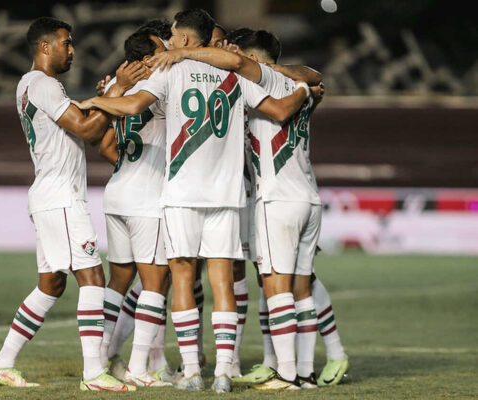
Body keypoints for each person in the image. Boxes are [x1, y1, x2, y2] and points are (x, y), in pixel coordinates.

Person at [72, 8, 313, 393]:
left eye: (172, 34)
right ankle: (222, 372)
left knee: (182, 278)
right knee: (222, 282)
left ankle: (191, 372)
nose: (168, 40)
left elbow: (133, 107)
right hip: (227, 193)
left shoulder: (171, 69)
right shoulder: (235, 74)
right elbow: (278, 109)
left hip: (181, 193)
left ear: (185, 38)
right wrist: (304, 89)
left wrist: (94, 102)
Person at [146, 28, 329, 390]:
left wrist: (184, 55)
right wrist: (306, 90)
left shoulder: (249, 76)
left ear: (255, 59)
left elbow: (259, 90)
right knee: (299, 287)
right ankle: (304, 372)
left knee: (274, 287)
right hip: (308, 196)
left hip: (273, 198)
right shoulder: (295, 87)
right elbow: (312, 77)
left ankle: (287, 375)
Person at [0, 16, 143, 392]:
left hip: (49, 195)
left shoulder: (33, 87)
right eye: (65, 43)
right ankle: (94, 374)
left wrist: (108, 97)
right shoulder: (43, 84)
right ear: (44, 47)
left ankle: (2, 365)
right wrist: (120, 88)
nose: (72, 50)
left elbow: (87, 130)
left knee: (52, 284)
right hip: (61, 197)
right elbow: (90, 130)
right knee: (92, 277)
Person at [96, 29, 175, 388]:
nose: (168, 53)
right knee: (155, 282)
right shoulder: (161, 80)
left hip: (117, 192)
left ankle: (100, 358)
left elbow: (107, 147)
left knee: (119, 280)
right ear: (147, 59)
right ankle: (139, 369)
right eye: (162, 48)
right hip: (146, 199)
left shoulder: (115, 84)